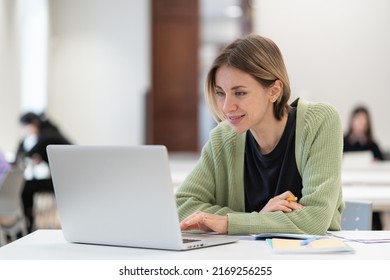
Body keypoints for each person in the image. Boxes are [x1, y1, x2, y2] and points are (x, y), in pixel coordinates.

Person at [176, 33, 344, 236]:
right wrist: (258, 217)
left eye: (240, 93)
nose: (227, 107)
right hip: (248, 260)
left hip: (310, 259)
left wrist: (231, 223)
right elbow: (181, 206)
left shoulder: (319, 122)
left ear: (274, 91)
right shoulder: (223, 138)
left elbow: (315, 220)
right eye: (221, 93)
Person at [14, 112, 71, 232]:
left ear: (32, 124)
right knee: (28, 185)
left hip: (65, 182)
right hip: (66, 179)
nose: (25, 130)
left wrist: (21, 138)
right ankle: (29, 223)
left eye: (24, 127)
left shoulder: (46, 136)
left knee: (26, 186)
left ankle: (28, 225)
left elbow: (22, 155)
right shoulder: (50, 133)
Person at [344, 106, 384, 230]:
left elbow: (381, 164)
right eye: (358, 119)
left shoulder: (372, 144)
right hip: (348, 186)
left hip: (368, 187)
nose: (361, 123)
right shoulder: (344, 141)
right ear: (352, 121)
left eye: (364, 120)